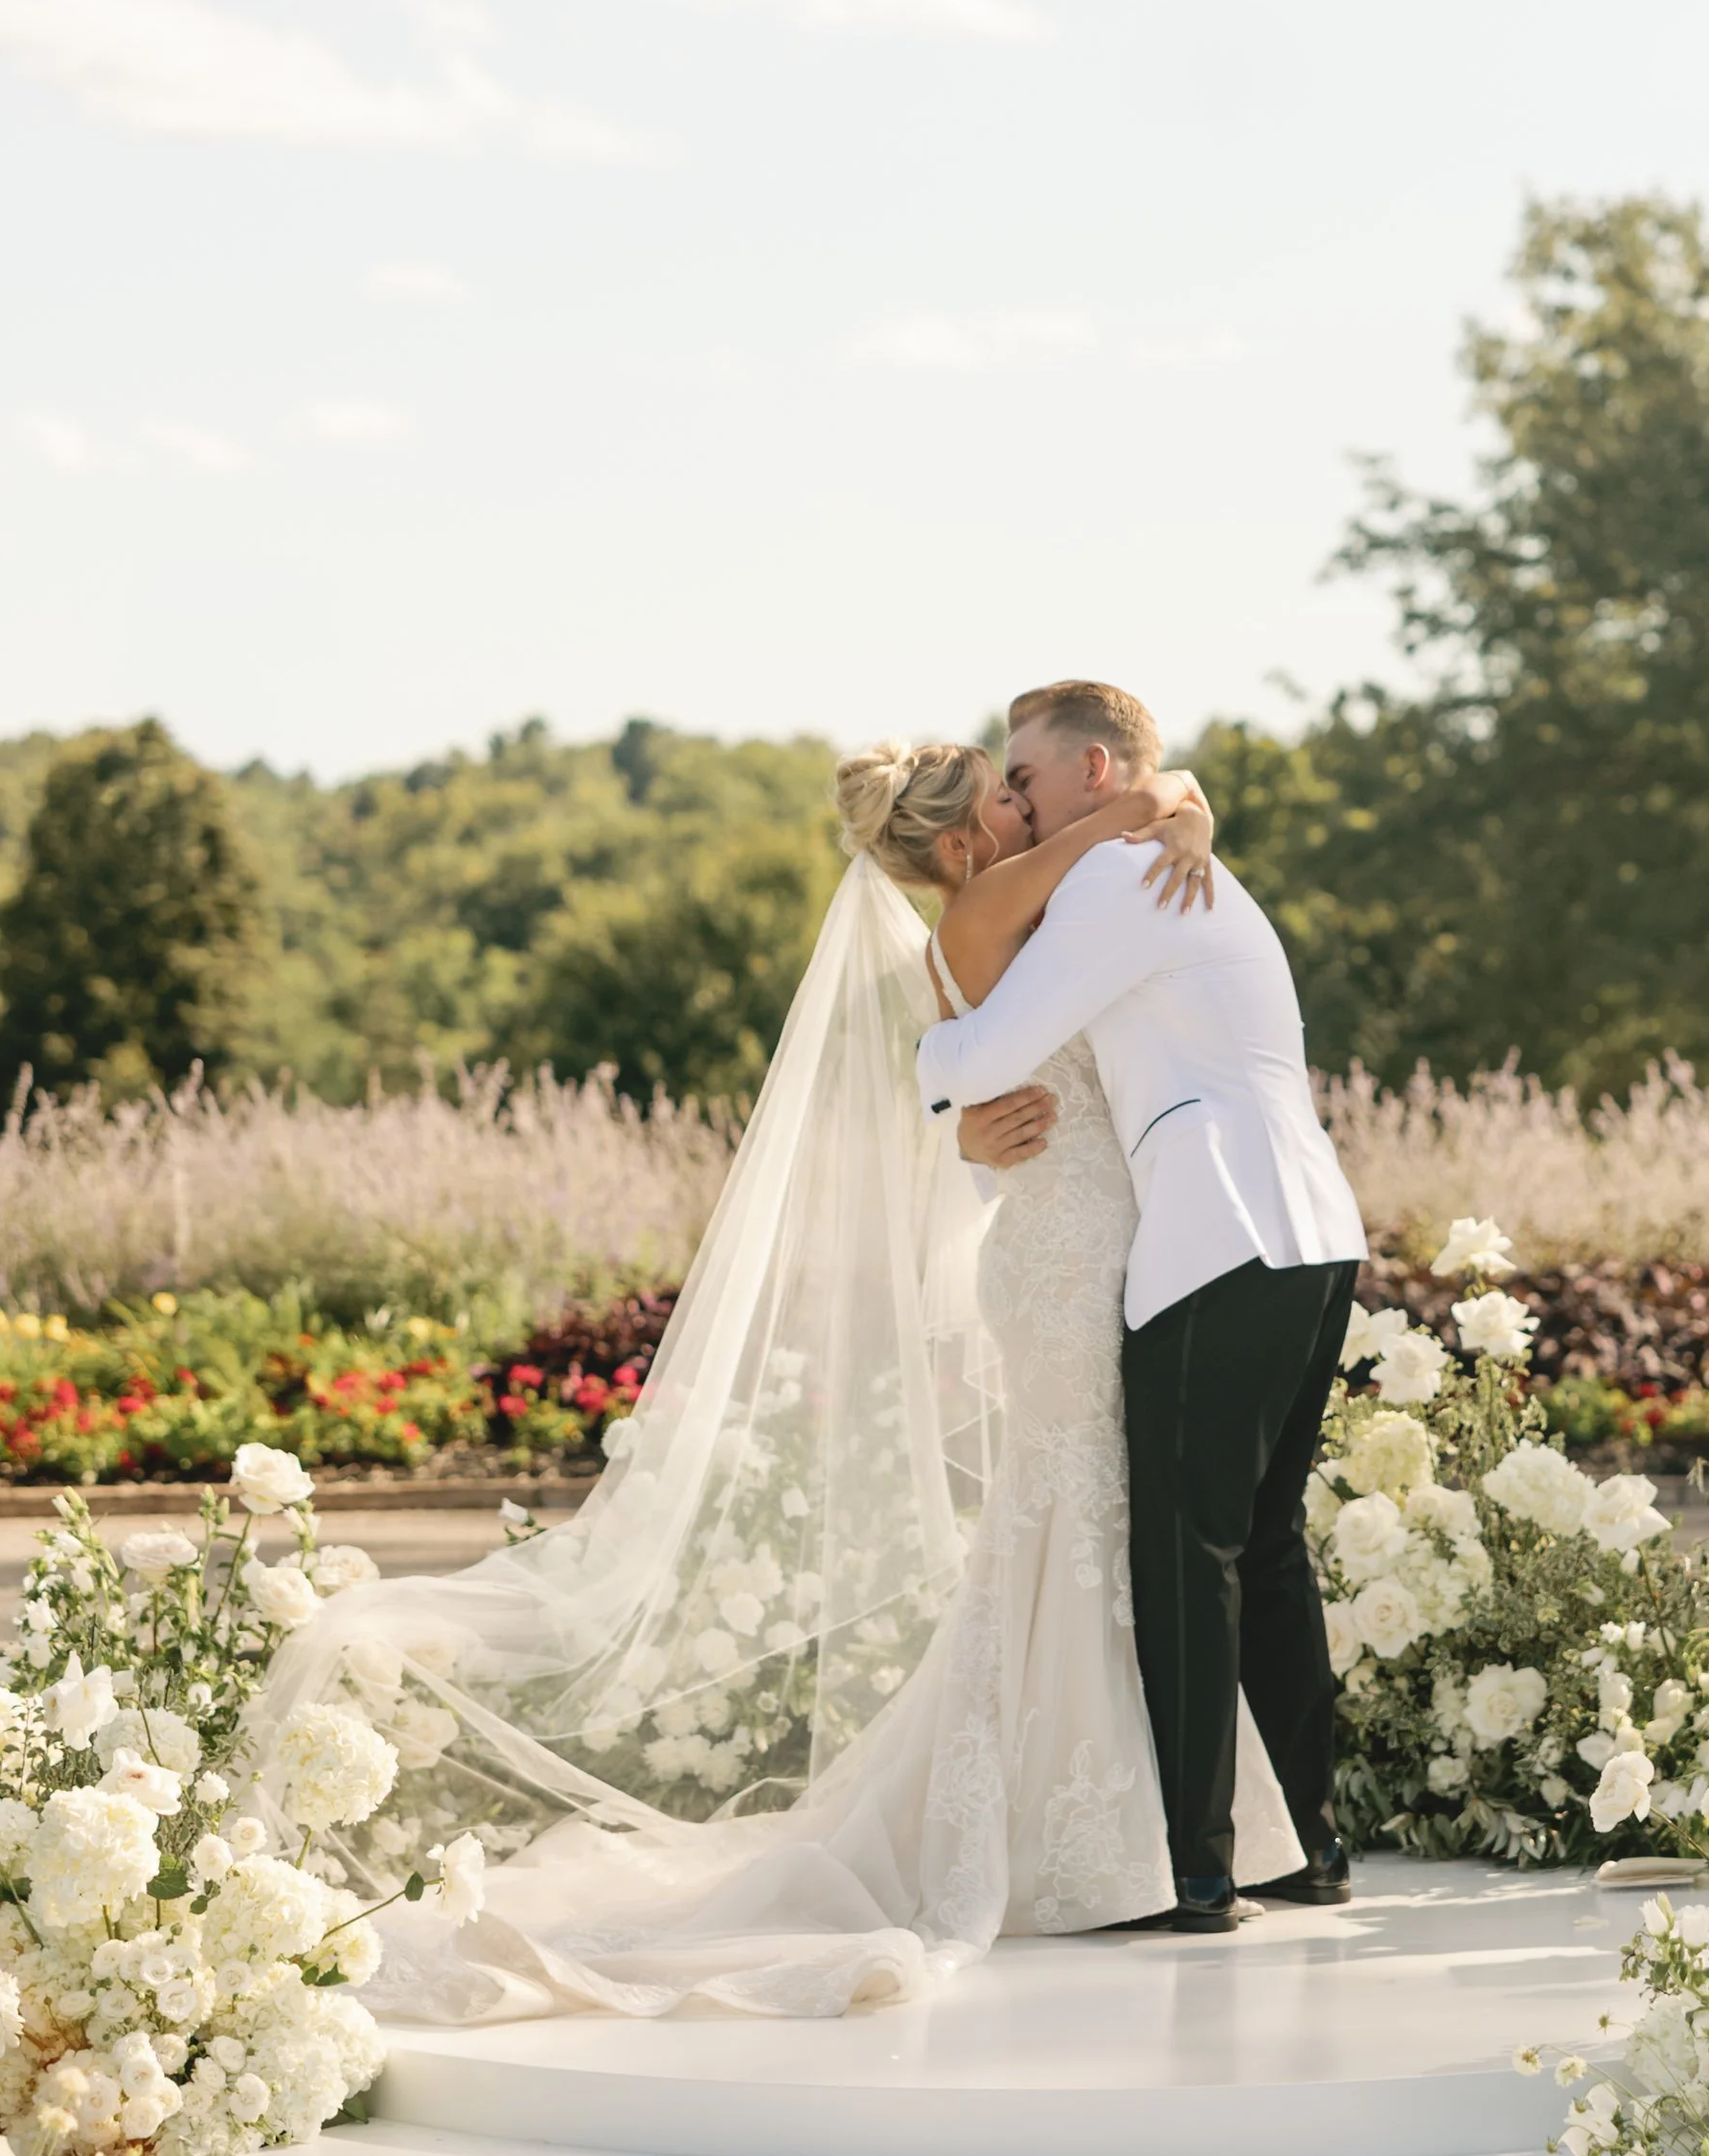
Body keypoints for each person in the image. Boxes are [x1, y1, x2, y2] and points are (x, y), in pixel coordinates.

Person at [256, 722, 1329, 2021]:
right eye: (1007, 793)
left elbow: (1015, 1095)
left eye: (1025, 778)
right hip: (1070, 1263)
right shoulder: (997, 899)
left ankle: (1136, 1831)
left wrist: (1167, 809)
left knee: (1092, 1530)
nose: (1024, 805)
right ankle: (1132, 1842)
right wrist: (1155, 809)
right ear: (959, 842)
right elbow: (1084, 884)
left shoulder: (1015, 903)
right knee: (1096, 1524)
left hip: (1089, 1239)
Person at [916, 680, 1369, 1933]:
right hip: (1318, 1230)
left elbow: (994, 1049)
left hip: (1212, 1234)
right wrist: (1180, 803)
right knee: (1267, 1549)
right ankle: (1313, 1847)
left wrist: (923, 1074)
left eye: (1031, 775)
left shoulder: (1118, 882)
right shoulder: (1189, 867)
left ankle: (1201, 1868)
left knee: (1189, 1556)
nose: (1019, 797)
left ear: (1096, 768)